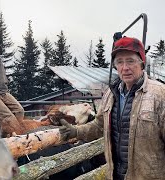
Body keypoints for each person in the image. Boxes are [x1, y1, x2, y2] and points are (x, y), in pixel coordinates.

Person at [60, 37, 165, 179]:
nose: (125, 67)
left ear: (142, 62)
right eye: (119, 62)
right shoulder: (111, 94)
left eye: (130, 61)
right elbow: (99, 126)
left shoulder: (159, 94)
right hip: (116, 175)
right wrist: (76, 131)